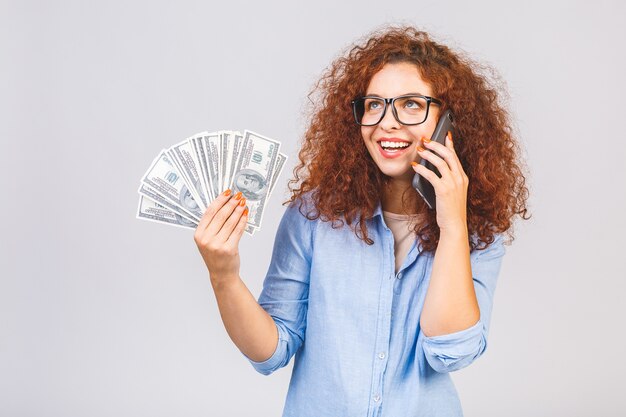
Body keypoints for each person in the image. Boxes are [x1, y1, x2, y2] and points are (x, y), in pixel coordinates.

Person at [193, 25, 530, 417]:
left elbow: (451, 352)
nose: (387, 123)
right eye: (374, 105)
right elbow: (270, 351)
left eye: (411, 104)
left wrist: (452, 225)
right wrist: (224, 276)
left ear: (450, 122)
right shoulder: (313, 216)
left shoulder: (476, 231)